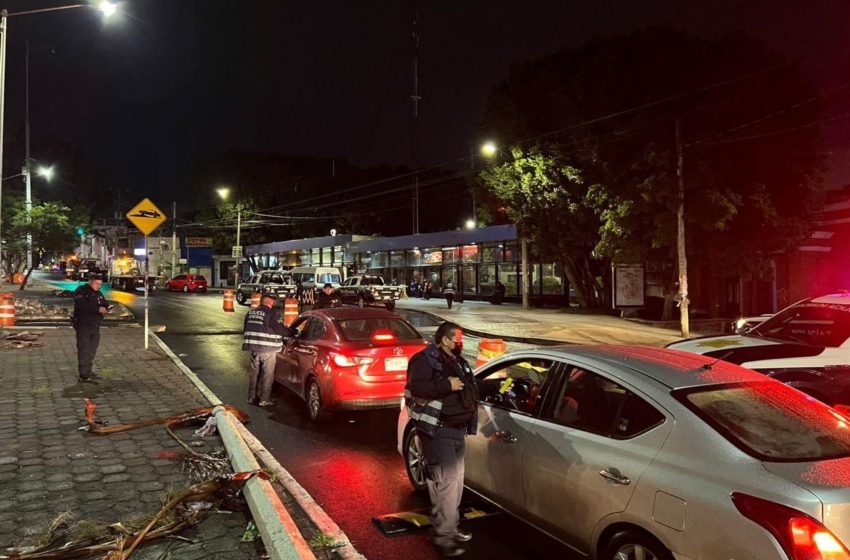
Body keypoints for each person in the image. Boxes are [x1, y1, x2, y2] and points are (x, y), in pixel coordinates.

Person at [405, 322, 502, 557]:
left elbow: (471, 386)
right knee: (446, 484)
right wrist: (445, 385)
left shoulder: (457, 362)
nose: (462, 343)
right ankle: (444, 537)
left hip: (458, 430)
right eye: (458, 339)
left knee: (455, 484)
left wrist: (497, 386)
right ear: (445, 340)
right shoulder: (425, 360)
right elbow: (416, 387)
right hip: (437, 431)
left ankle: (450, 526)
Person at [242, 294, 294, 406]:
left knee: (254, 373)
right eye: (271, 303)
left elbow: (246, 328)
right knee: (268, 374)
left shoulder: (250, 313)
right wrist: (294, 332)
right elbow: (282, 331)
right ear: (267, 303)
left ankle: (251, 397)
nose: (272, 305)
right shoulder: (271, 314)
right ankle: (264, 399)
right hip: (268, 349)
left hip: (254, 348)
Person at [72, 275, 112, 382]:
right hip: (83, 325)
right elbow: (82, 306)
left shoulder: (98, 293)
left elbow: (103, 302)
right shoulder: (81, 291)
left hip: (95, 325)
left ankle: (88, 370)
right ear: (90, 282)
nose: (98, 286)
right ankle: (83, 374)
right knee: (84, 348)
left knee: (92, 349)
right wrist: (98, 309)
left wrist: (108, 308)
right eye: (96, 284)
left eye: (100, 285)